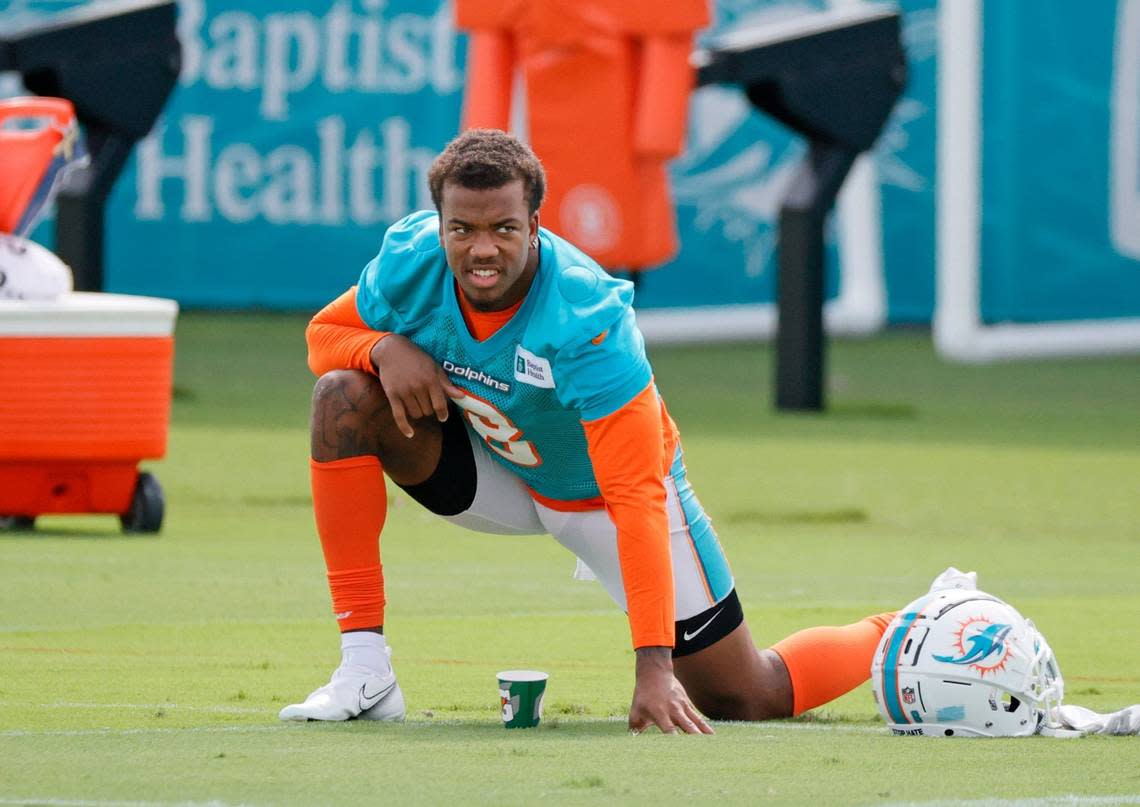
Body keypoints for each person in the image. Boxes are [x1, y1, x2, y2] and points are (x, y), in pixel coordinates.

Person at [281, 129, 895, 733]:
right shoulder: (411, 262)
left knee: (749, 694)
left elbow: (635, 495)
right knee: (343, 397)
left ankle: (903, 628)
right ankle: (365, 670)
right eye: (461, 230)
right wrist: (384, 348)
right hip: (500, 468)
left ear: (536, 226)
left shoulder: (586, 318)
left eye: (504, 229)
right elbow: (322, 338)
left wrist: (654, 667)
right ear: (439, 225)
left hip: (601, 498)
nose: (482, 250)